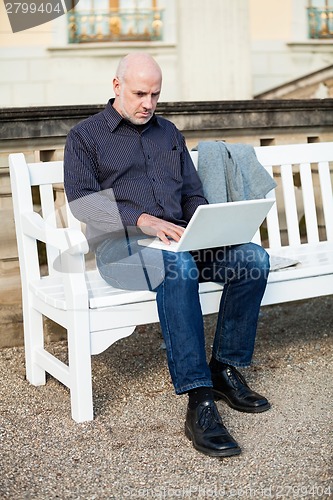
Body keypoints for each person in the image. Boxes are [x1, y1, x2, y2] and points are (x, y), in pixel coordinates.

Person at [64, 52, 271, 458]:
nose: (148, 103)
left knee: (252, 259)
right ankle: (199, 400)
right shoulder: (85, 137)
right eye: (140, 93)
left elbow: (192, 192)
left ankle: (224, 368)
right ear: (116, 85)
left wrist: (207, 224)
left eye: (155, 94)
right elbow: (83, 203)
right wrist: (142, 219)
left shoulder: (168, 133)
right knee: (178, 267)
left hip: (182, 242)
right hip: (121, 249)